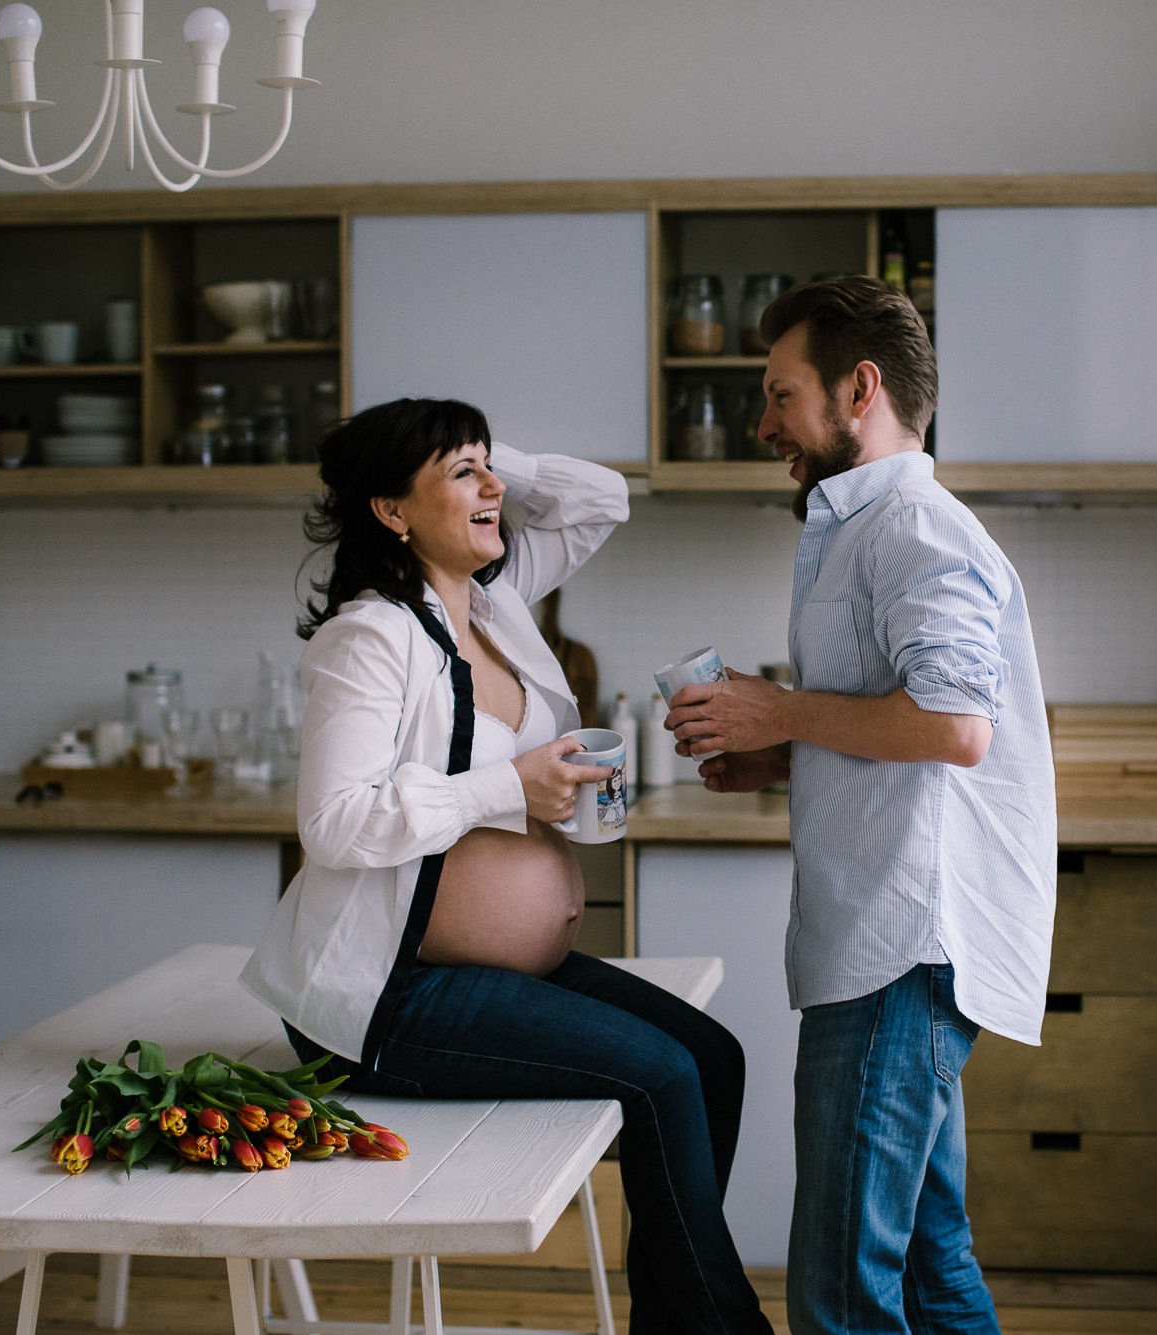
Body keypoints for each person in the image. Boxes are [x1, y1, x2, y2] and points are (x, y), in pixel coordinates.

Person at [241, 397, 772, 1335]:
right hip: (391, 993)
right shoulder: (372, 637)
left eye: (490, 469)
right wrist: (507, 788)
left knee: (713, 1059)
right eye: (461, 474)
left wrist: (482, 461)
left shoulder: (496, 602)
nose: (494, 488)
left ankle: (675, 1322)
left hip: (487, 966)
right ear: (391, 510)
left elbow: (602, 499)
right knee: (664, 1077)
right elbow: (330, 822)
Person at [663, 279, 1057, 1335]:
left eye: (780, 395)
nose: (763, 425)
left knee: (839, 1292)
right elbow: (897, 728)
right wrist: (778, 750)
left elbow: (953, 728)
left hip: (898, 950)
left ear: (858, 389)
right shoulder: (860, 525)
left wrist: (778, 710)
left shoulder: (915, 529)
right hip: (884, 943)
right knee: (930, 1265)